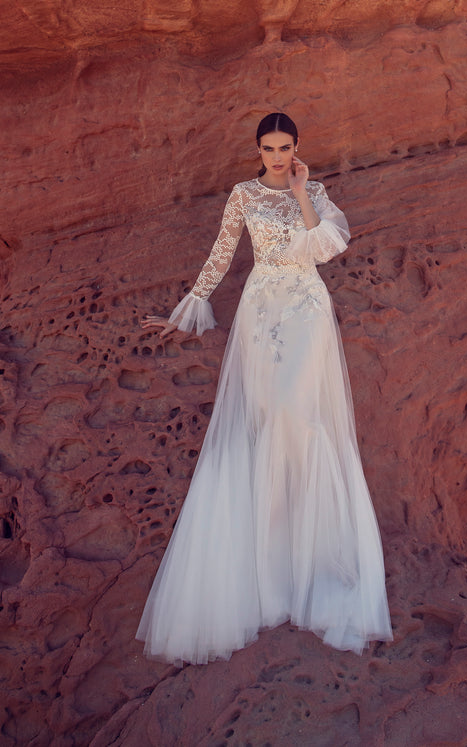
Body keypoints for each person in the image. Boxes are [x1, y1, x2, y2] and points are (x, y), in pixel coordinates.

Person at [136, 112, 392, 664]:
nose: (276, 155)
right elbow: (223, 253)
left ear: (297, 147)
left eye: (285, 148)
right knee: (269, 417)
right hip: (261, 311)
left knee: (298, 414)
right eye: (268, 148)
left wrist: (301, 192)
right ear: (257, 149)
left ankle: (317, 555)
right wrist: (187, 311)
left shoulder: (315, 191)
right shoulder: (242, 195)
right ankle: (274, 558)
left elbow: (326, 246)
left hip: (306, 309)